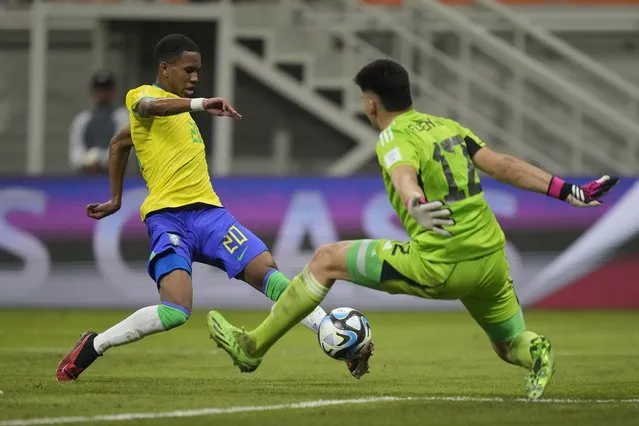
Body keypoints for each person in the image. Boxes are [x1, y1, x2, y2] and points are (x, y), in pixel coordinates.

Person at [207, 59, 619, 400]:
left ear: (371, 104)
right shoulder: (449, 128)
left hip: (441, 262)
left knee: (325, 260)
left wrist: (415, 202)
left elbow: (404, 175)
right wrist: (570, 191)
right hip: (492, 260)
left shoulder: (392, 136)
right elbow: (505, 166)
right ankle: (535, 353)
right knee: (508, 344)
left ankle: (252, 348)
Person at [55, 34, 368, 382]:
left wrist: (115, 197)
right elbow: (146, 109)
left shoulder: (177, 114)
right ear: (165, 69)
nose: (195, 78)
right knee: (175, 311)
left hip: (210, 215)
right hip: (168, 218)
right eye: (188, 70)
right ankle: (94, 346)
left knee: (269, 272)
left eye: (198, 72)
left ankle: (334, 335)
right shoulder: (143, 97)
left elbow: (118, 143)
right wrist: (201, 104)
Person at [69, 69, 129, 175]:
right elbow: (76, 149)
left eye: (107, 89)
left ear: (113, 91)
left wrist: (100, 160)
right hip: (85, 176)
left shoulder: (122, 116)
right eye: (100, 89)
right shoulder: (82, 120)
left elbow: (123, 147)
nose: (103, 94)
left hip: (114, 175)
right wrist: (86, 161)